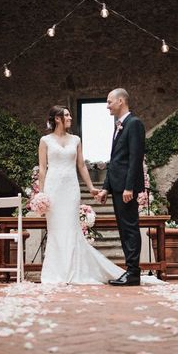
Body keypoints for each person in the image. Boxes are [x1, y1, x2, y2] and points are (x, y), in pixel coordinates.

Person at [38, 105, 127, 284]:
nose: (70, 118)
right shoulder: (45, 140)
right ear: (57, 118)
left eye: (70, 115)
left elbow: (81, 166)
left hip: (71, 189)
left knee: (71, 228)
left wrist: (91, 187)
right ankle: (56, 272)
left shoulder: (76, 139)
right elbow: (42, 168)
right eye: (67, 115)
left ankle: (73, 270)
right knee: (55, 230)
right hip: (53, 188)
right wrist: (40, 194)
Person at [95, 88, 146, 286]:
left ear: (121, 101)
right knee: (124, 230)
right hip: (117, 187)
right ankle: (130, 270)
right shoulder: (119, 125)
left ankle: (133, 273)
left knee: (130, 229)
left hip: (126, 188)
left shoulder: (134, 124)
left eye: (109, 102)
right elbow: (116, 161)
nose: (107, 106)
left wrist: (129, 187)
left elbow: (135, 158)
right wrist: (106, 188)